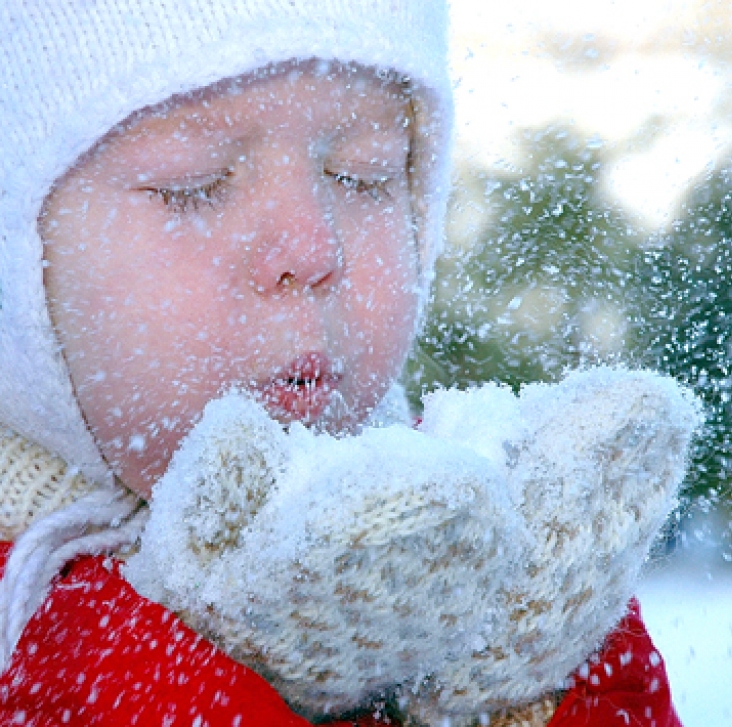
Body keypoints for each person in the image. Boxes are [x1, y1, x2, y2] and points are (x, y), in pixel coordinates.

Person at [0, 1, 688, 725]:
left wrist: (533, 682)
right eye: (193, 183)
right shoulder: (28, 635)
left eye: (363, 174)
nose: (312, 246)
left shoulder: (468, 544)